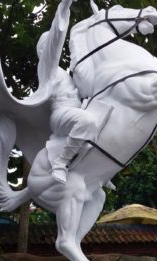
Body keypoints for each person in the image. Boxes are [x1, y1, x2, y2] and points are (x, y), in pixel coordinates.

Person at [34, 0, 97, 184]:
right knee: (88, 121)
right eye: (49, 45)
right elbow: (55, 40)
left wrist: (96, 21)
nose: (56, 49)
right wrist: (64, 6)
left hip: (76, 109)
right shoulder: (46, 68)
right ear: (42, 50)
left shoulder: (63, 71)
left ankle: (97, 166)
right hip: (61, 114)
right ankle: (60, 163)